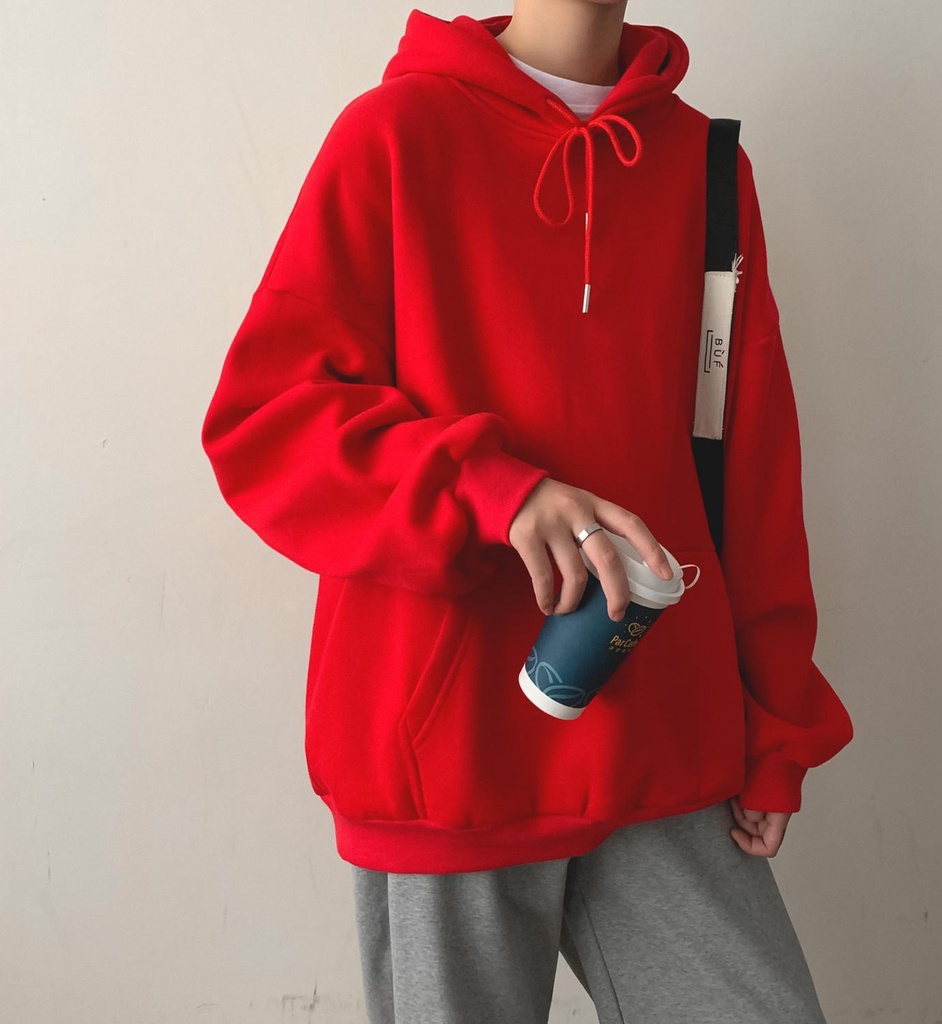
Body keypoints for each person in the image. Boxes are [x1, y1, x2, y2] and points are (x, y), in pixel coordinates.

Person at [201, 2, 855, 1021]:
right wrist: (495, 490)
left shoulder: (708, 169)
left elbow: (750, 462)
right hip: (449, 756)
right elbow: (268, 422)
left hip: (663, 737)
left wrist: (775, 722)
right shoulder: (394, 136)